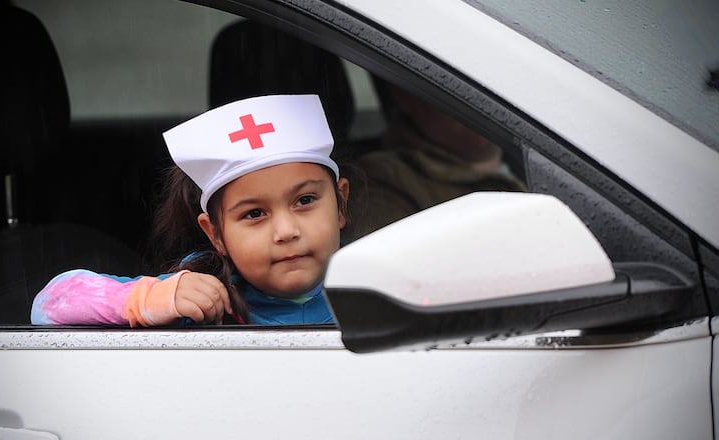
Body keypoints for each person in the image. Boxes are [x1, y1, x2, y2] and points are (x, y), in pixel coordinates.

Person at [31, 94, 350, 326]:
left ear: (340, 203)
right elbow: (50, 304)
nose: (286, 231)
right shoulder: (200, 303)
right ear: (216, 234)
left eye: (305, 200)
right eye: (254, 214)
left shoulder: (377, 286)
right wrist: (148, 299)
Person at [347, 79, 527, 238]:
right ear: (404, 96)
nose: (481, 97)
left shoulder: (535, 151)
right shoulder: (381, 184)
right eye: (457, 83)